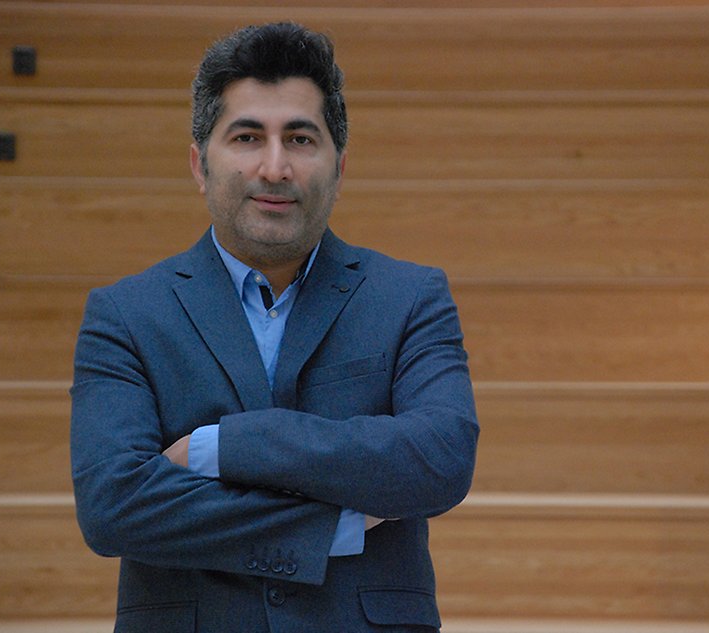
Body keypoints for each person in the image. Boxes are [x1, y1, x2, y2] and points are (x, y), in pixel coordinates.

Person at [70, 22, 479, 632]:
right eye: (246, 136)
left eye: (300, 138)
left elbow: (439, 458)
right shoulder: (126, 315)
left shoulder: (411, 297)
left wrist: (227, 445)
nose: (275, 165)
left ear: (339, 166)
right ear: (199, 164)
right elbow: (114, 505)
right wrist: (330, 525)